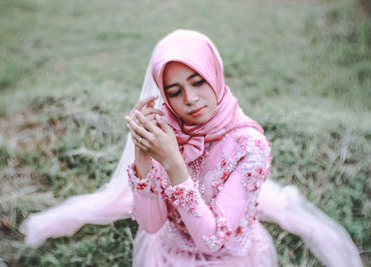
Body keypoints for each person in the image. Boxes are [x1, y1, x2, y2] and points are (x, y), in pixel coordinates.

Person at [21, 30, 363, 267]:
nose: (191, 100)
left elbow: (213, 242)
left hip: (228, 258)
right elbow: (153, 226)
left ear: (215, 75)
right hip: (168, 252)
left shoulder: (250, 146)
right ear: (163, 95)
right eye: (175, 91)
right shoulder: (165, 131)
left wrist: (174, 165)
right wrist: (143, 156)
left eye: (198, 82)